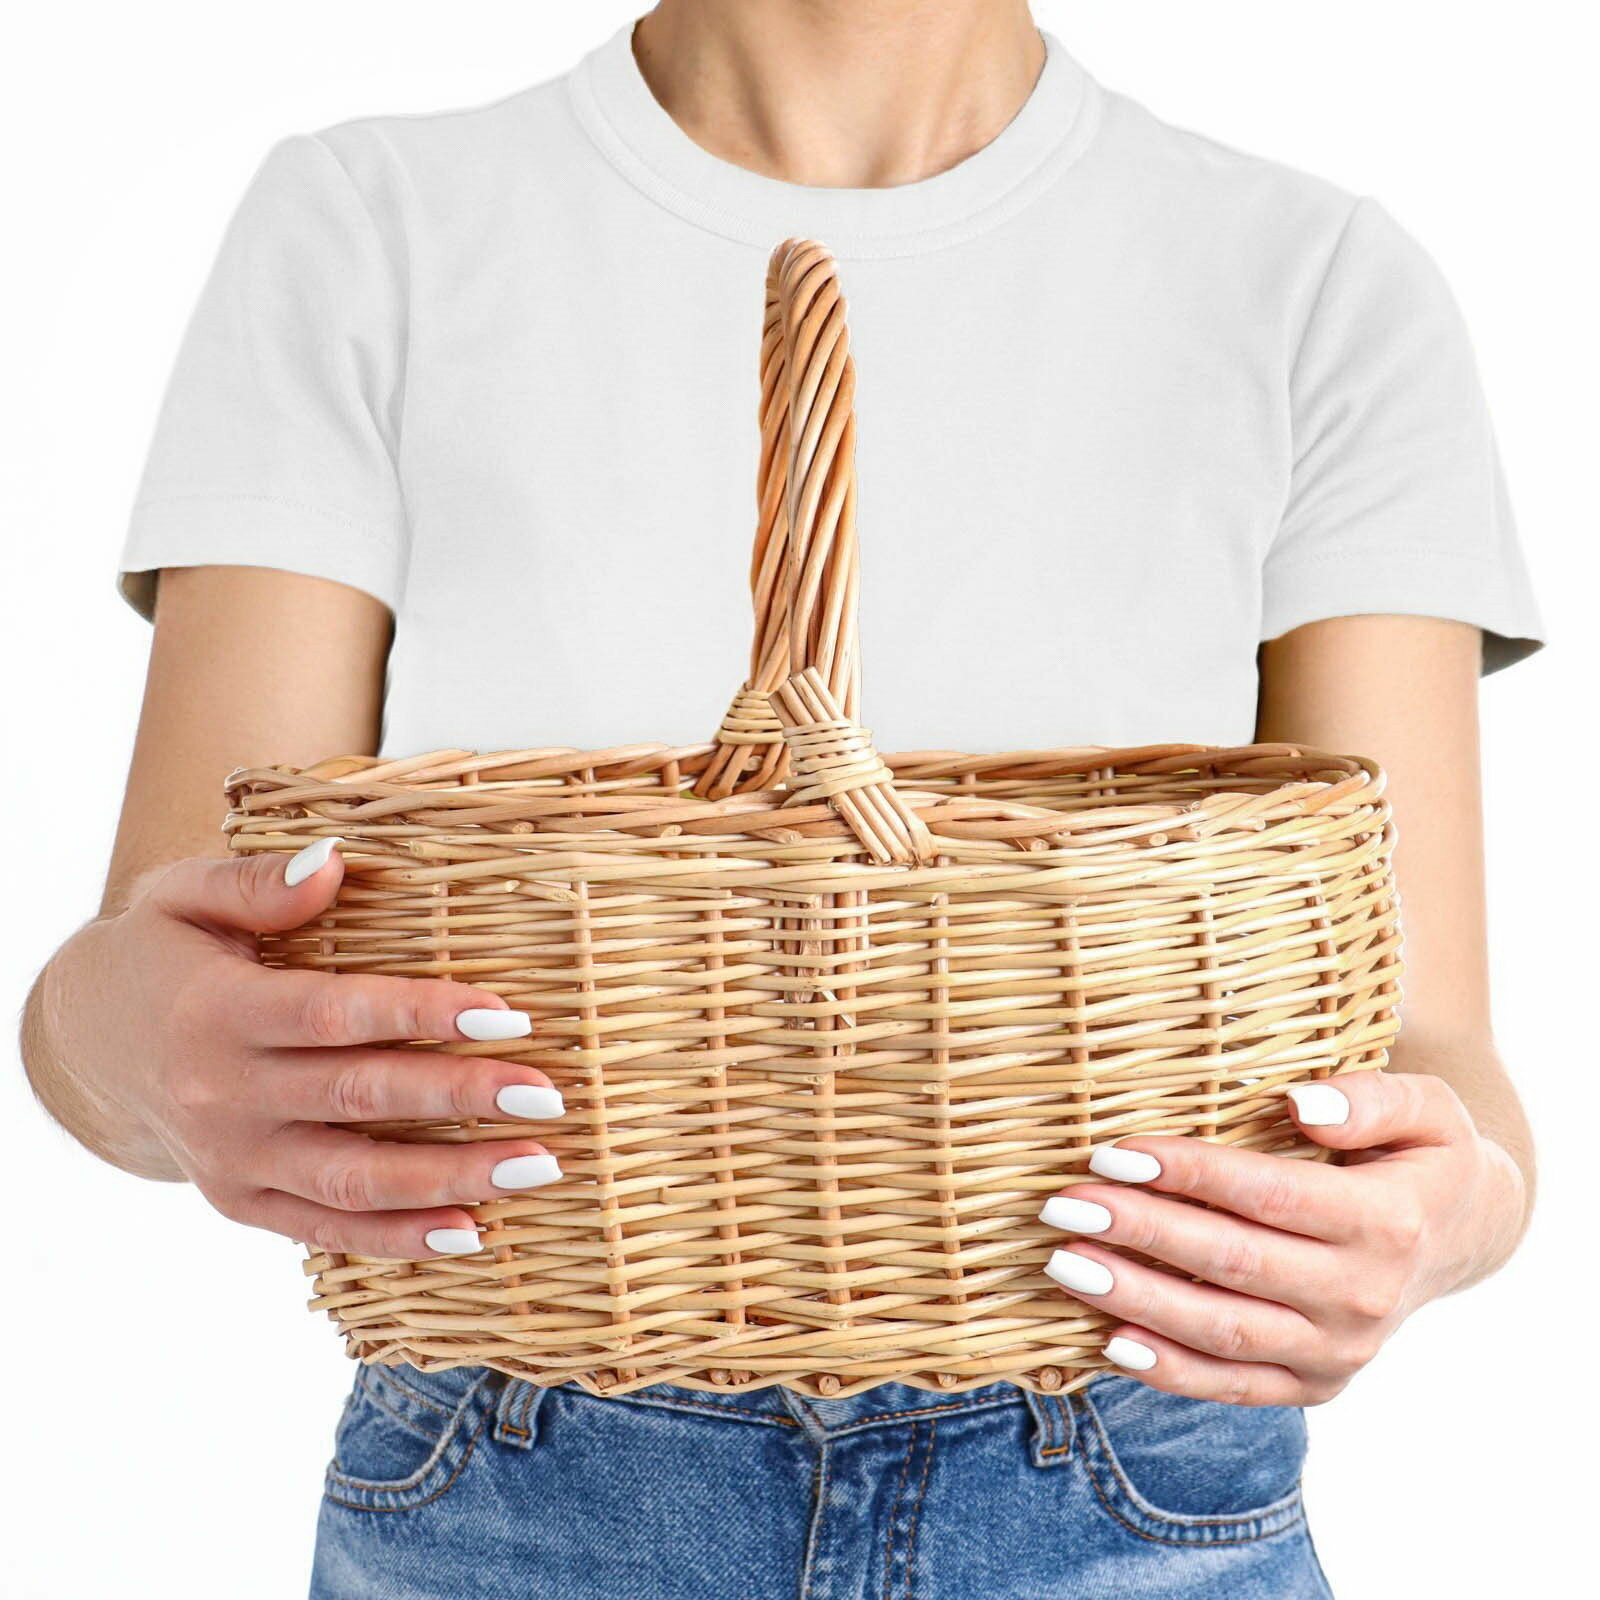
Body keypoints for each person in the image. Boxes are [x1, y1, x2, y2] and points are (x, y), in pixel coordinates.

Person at [20, 2, 1545, 1596]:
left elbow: (1430, 1051)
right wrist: (141, 1043)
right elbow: (145, 979)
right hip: (516, 1476)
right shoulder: (369, 226)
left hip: (1137, 1473)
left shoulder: (1315, 280)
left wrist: (1444, 1216)